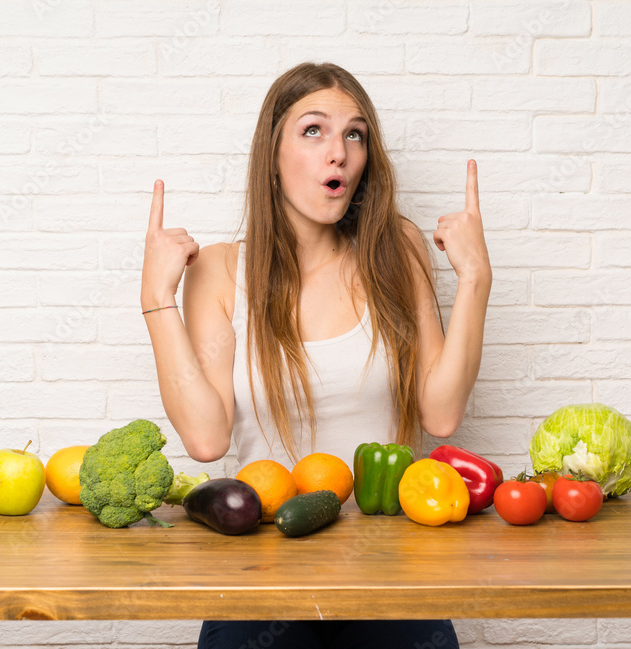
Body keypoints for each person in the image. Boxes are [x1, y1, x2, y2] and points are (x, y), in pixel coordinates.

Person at [140, 62, 491, 649]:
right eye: (313, 131)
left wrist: (476, 279)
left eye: (354, 134)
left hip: (389, 567)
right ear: (271, 155)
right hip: (261, 573)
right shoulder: (222, 270)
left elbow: (441, 414)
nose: (339, 153)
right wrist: (157, 298)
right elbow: (206, 440)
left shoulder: (395, 250)